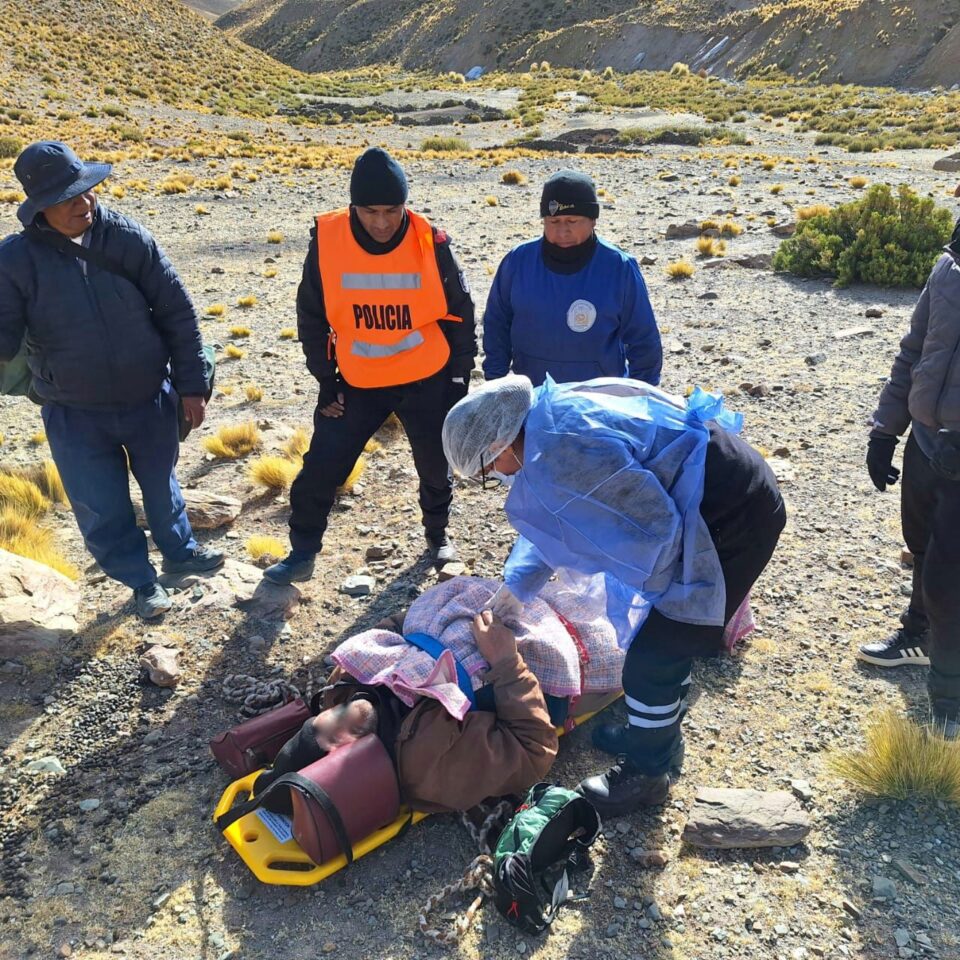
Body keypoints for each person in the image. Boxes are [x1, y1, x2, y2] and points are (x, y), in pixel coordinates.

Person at [442, 374, 785, 817]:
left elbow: (654, 532)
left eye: (488, 471)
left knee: (653, 659)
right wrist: (518, 587)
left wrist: (658, 597)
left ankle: (646, 774)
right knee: (663, 648)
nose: (495, 478)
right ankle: (658, 738)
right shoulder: (545, 421)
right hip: (717, 487)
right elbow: (557, 523)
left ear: (500, 445)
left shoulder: (564, 454)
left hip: (729, 515)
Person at [0, 141, 222, 620]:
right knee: (101, 504)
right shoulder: (14, 260)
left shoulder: (127, 237)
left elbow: (177, 313)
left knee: (162, 486)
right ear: (39, 207)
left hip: (149, 397)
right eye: (67, 197)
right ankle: (141, 583)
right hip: (73, 410)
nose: (84, 204)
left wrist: (191, 386)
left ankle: (181, 555)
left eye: (87, 191)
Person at [264, 148, 476, 585]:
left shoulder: (430, 241)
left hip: (426, 374)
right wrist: (327, 380)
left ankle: (438, 537)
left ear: (405, 204)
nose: (381, 222)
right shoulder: (328, 239)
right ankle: (302, 552)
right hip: (358, 380)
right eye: (369, 211)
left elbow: (460, 313)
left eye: (392, 210)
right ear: (352, 206)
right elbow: (312, 315)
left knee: (435, 464)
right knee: (322, 465)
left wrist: (458, 378)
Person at [253, 574, 624, 813]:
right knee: (641, 618)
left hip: (528, 608)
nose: (331, 717)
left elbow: (395, 628)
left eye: (316, 726)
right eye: (330, 740)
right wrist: (507, 662)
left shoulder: (345, 688)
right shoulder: (428, 763)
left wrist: (423, 627)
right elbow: (533, 749)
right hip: (574, 655)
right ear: (351, 760)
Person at [857, 202, 960, 740]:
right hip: (925, 442)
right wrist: (885, 429)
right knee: (921, 548)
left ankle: (949, 701)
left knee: (951, 579)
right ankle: (917, 637)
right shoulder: (949, 265)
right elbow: (914, 350)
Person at [482, 169, 662, 386]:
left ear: (593, 219)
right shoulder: (518, 262)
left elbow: (644, 341)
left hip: (598, 402)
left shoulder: (618, 267)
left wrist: (640, 398)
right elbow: (496, 324)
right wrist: (496, 383)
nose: (562, 231)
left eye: (572, 220)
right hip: (533, 397)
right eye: (554, 221)